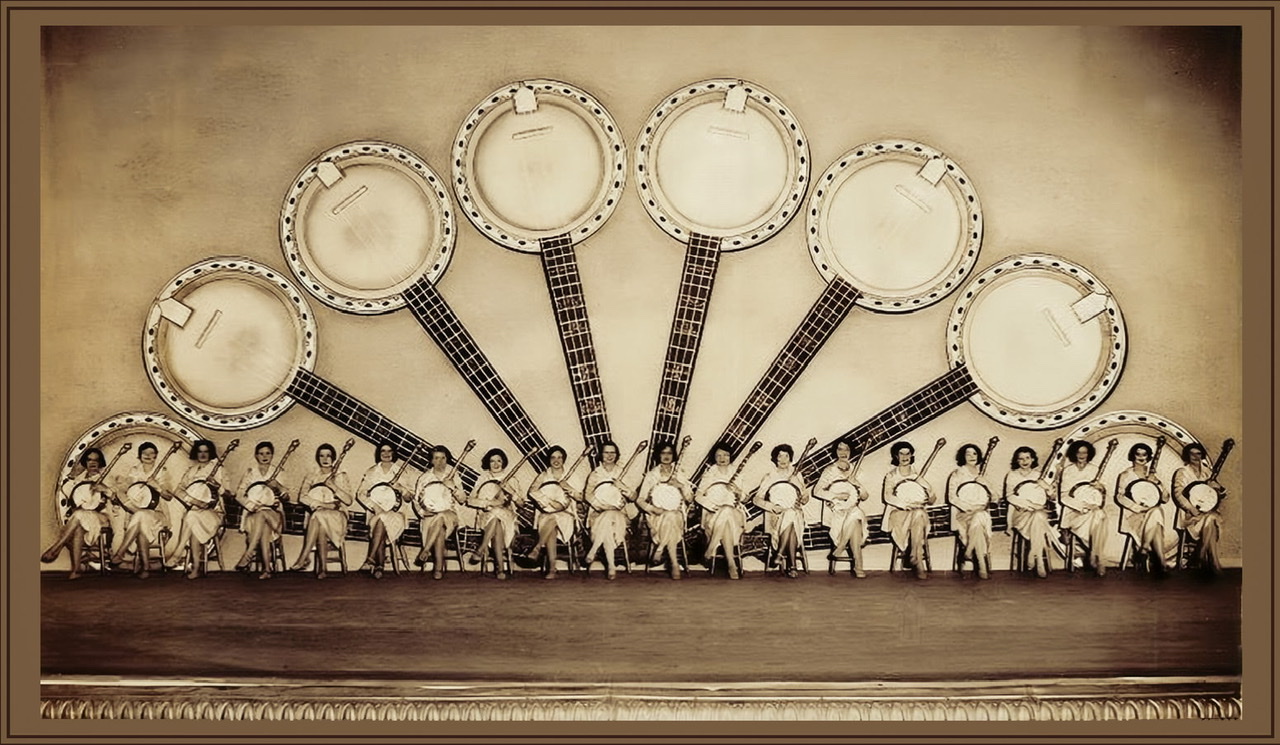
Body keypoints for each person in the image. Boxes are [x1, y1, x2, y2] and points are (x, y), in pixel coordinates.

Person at [41, 448, 115, 579]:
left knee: (79, 515)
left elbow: (116, 499)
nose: (93, 463)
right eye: (89, 459)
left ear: (100, 462)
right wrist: (74, 478)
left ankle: (57, 547)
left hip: (102, 517)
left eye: (96, 460)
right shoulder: (79, 479)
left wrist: (106, 490)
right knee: (78, 525)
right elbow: (68, 493)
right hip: (82, 517)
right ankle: (76, 570)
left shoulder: (106, 477)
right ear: (85, 462)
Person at [108, 442, 176, 578]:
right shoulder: (134, 471)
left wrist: (157, 486)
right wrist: (119, 490)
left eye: (151, 453)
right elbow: (124, 490)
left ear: (156, 455)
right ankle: (145, 568)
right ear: (139, 456)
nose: (148, 456)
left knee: (140, 516)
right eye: (145, 453)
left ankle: (121, 552)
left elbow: (169, 496)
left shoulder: (162, 471)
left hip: (158, 515)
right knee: (141, 517)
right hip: (138, 515)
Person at [289, 443, 353, 578]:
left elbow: (348, 501)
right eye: (321, 456)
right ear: (318, 458)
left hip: (338, 516)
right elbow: (303, 497)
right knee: (320, 519)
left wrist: (334, 487)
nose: (325, 459)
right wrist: (322, 504)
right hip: (320, 515)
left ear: (334, 458)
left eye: (329, 456)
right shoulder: (312, 476)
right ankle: (323, 569)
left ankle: (304, 557)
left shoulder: (341, 476)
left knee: (319, 516)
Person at [1002, 446, 1065, 578]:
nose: (1024, 461)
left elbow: (1052, 497)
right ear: (1016, 461)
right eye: (1021, 459)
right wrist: (1029, 505)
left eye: (1027, 458)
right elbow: (1009, 496)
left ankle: (1034, 556)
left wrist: (1046, 487)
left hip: (1037, 513)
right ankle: (1038, 560)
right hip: (1019, 513)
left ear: (1033, 459)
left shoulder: (1038, 475)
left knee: (1038, 516)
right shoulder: (1012, 475)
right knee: (1040, 517)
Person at [170, 439, 228, 579]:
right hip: (196, 511)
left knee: (191, 517)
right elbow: (178, 490)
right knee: (192, 517)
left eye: (206, 451)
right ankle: (195, 567)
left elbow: (228, 494)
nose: (203, 454)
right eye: (200, 451)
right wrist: (194, 501)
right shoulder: (191, 471)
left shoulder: (219, 469)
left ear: (211, 453)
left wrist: (217, 486)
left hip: (214, 513)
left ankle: (179, 554)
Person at [357, 442, 415, 580]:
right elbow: (361, 493)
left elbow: (409, 498)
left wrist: (401, 488)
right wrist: (375, 507)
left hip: (396, 514)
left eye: (390, 451)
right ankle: (379, 566)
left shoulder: (402, 472)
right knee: (382, 518)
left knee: (383, 519)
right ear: (379, 453)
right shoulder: (371, 472)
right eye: (383, 451)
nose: (386, 454)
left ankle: (371, 559)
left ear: (394, 453)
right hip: (376, 513)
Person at [1114, 442, 1175, 573]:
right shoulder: (1125, 475)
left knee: (1156, 512)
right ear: (1133, 456)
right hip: (1134, 515)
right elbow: (1120, 497)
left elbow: (1165, 498)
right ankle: (1161, 562)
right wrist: (1137, 507)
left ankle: (1145, 549)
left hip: (1151, 513)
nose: (1141, 457)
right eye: (1138, 454)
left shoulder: (1152, 475)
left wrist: (1157, 482)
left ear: (1148, 457)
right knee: (1156, 519)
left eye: (1144, 454)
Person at [752, 444, 809, 578]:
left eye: (786, 456)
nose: (783, 459)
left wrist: (800, 489)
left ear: (790, 458)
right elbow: (756, 499)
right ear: (775, 459)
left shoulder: (797, 475)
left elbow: (806, 497)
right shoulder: (770, 476)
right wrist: (771, 506)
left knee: (792, 514)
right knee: (790, 516)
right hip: (775, 516)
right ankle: (792, 565)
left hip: (795, 513)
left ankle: (779, 554)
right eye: (780, 456)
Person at [881, 441, 936, 580]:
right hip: (898, 513)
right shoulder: (891, 476)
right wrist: (904, 505)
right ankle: (917, 560)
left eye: (908, 453)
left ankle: (915, 556)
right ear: (896, 456)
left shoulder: (917, 476)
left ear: (911, 455)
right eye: (901, 453)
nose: (905, 456)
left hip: (917, 513)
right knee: (919, 515)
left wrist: (927, 489)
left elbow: (932, 500)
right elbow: (887, 497)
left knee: (919, 513)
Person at [813, 440, 868, 578]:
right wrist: (835, 496)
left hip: (852, 509)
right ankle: (858, 566)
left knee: (855, 515)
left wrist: (858, 485)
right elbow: (817, 491)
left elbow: (865, 496)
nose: (843, 453)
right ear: (835, 451)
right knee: (856, 519)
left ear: (851, 451)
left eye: (846, 449)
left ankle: (842, 546)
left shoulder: (857, 470)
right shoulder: (829, 470)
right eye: (840, 449)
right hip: (835, 511)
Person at [639, 442, 693, 580]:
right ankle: (674, 563)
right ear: (658, 455)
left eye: (669, 453)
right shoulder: (651, 475)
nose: (666, 456)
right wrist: (653, 509)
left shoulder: (679, 473)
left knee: (671, 516)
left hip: (677, 515)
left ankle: (660, 548)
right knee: (669, 517)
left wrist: (680, 486)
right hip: (657, 516)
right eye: (663, 453)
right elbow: (640, 500)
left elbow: (690, 499)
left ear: (674, 455)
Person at [410, 445, 465, 580]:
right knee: (439, 527)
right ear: (431, 460)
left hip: (450, 515)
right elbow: (416, 501)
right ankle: (438, 568)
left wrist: (453, 487)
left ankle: (426, 550)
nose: (440, 462)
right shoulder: (424, 478)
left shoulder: (453, 476)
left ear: (447, 459)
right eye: (436, 458)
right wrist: (423, 513)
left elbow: (463, 499)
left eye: (443, 458)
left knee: (441, 516)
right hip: (430, 516)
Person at [233, 441, 287, 580]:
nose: (265, 456)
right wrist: (251, 505)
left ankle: (248, 553)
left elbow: (286, 497)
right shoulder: (251, 473)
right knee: (262, 524)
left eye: (268, 453)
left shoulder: (278, 472)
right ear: (256, 456)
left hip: (274, 515)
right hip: (255, 512)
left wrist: (278, 486)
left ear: (272, 455)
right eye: (261, 453)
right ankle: (267, 569)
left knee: (263, 516)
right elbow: (239, 495)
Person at [526, 446, 582, 579]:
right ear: (549, 459)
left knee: (554, 519)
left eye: (559, 457)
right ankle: (551, 567)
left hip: (567, 514)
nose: (556, 460)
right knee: (551, 524)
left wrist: (568, 488)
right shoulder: (543, 476)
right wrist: (550, 502)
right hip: (546, 513)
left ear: (564, 459)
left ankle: (539, 548)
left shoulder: (572, 476)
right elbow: (532, 492)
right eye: (553, 457)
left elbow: (581, 497)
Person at [582, 441, 636, 580]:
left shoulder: (623, 473)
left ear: (617, 455)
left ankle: (594, 550)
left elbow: (634, 496)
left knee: (610, 516)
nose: (609, 455)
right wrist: (602, 506)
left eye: (613, 452)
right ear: (601, 454)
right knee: (607, 520)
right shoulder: (595, 474)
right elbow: (587, 496)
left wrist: (623, 487)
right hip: (598, 512)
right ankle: (611, 566)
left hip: (619, 514)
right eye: (606, 452)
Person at [468, 448, 523, 580]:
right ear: (488, 463)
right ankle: (499, 568)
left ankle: (482, 549)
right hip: (487, 515)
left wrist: (511, 492)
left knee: (498, 515)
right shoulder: (483, 479)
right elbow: (470, 500)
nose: (496, 464)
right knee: (495, 518)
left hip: (508, 516)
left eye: (499, 460)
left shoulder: (511, 479)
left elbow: (521, 504)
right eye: (492, 461)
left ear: (503, 462)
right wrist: (488, 503)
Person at [1056, 440, 1110, 577]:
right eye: (1079, 452)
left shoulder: (1095, 470)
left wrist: (1101, 489)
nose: (1082, 455)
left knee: (1099, 514)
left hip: (1092, 510)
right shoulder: (1068, 471)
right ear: (1074, 453)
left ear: (1089, 454)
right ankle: (1098, 557)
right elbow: (1063, 497)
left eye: (1085, 452)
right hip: (1073, 511)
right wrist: (1082, 507)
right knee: (1098, 517)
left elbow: (1100, 495)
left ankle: (1095, 556)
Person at [694, 442, 747, 580]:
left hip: (736, 515)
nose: (722, 458)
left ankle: (711, 548)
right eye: (718, 455)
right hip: (713, 515)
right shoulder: (709, 474)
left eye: (726, 455)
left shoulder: (737, 473)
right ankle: (731, 564)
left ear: (730, 456)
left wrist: (738, 491)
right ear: (714, 457)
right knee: (725, 517)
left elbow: (745, 498)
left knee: (728, 509)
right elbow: (698, 496)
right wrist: (711, 505)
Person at [1170, 442, 1224, 574]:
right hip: (1189, 515)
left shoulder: (1208, 472)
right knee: (1210, 521)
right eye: (1192, 453)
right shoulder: (1182, 472)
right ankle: (1210, 561)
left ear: (1202, 455)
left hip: (1206, 512)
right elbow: (1178, 493)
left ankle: (1201, 557)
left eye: (1198, 453)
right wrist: (1191, 509)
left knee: (1210, 518)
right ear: (1187, 456)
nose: (1195, 456)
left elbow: (1218, 494)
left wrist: (1217, 488)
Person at [945, 443, 993, 580]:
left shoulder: (983, 474)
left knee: (979, 518)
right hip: (964, 514)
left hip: (981, 514)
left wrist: (986, 484)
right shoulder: (957, 474)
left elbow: (995, 498)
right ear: (963, 457)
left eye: (974, 453)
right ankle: (981, 565)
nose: (972, 456)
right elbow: (952, 497)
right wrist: (969, 507)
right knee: (978, 519)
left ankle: (969, 550)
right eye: (968, 454)